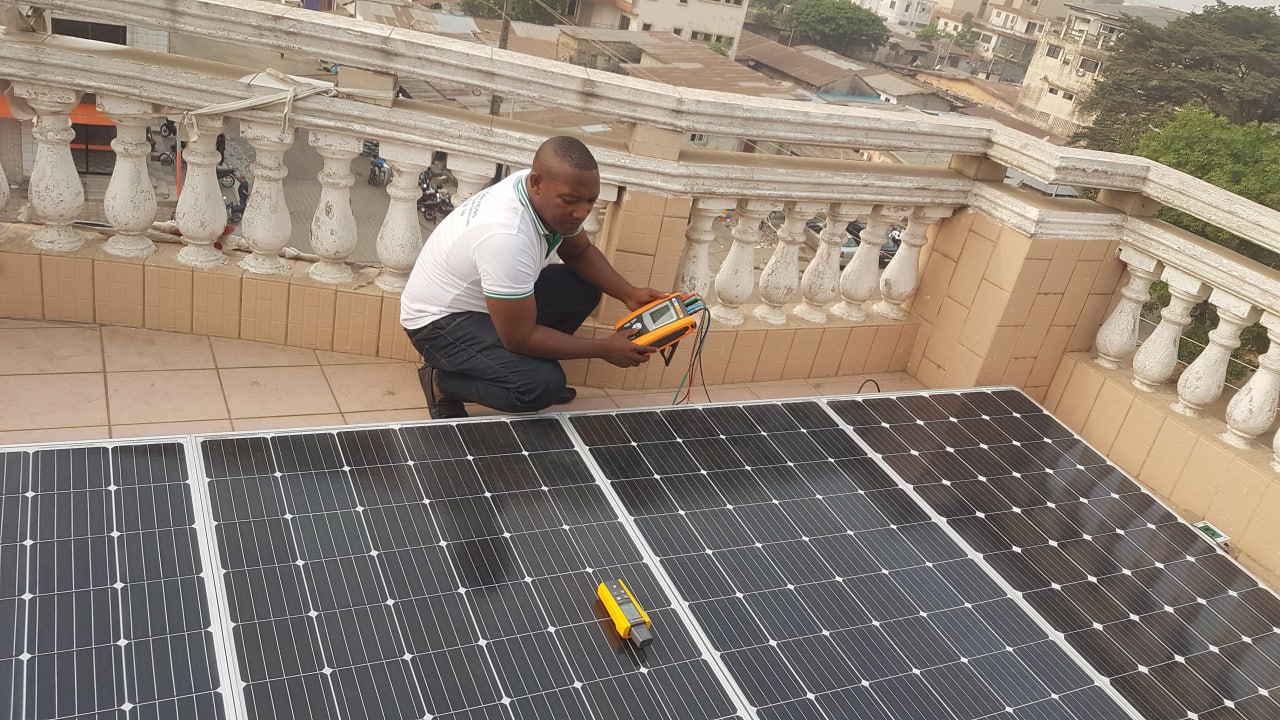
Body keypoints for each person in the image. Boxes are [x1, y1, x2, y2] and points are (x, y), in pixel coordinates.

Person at [401, 136, 666, 419]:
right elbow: (520, 337)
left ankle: (519, 366)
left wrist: (629, 294)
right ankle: (441, 382)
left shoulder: (540, 193)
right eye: (571, 201)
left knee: (584, 286)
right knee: (539, 386)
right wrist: (604, 348)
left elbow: (579, 252)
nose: (581, 212)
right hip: (437, 324)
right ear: (537, 183)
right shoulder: (506, 237)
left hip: (486, 305)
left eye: (590, 201)